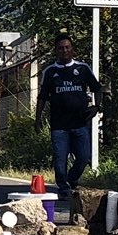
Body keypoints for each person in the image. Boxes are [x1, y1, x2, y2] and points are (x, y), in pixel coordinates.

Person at [35, 33, 103, 194]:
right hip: (59, 126)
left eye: (67, 47)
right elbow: (42, 97)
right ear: (56, 51)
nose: (64, 51)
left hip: (80, 123)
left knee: (83, 156)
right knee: (60, 160)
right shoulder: (50, 72)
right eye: (61, 48)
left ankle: (72, 179)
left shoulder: (82, 68)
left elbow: (97, 88)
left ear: (73, 50)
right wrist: (37, 119)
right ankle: (64, 187)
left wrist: (96, 107)